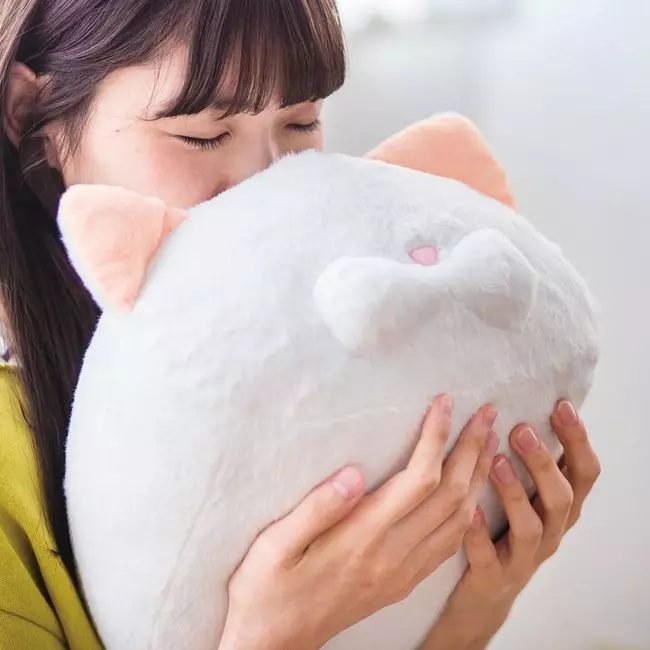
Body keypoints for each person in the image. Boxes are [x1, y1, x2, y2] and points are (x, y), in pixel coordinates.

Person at [0, 1, 601, 649]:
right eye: (202, 136)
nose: (266, 179)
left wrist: (474, 603)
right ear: (30, 113)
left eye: (301, 123)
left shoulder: (327, 383)